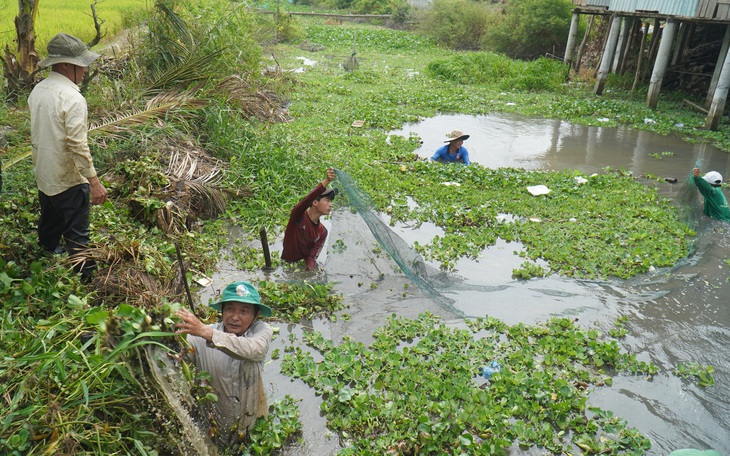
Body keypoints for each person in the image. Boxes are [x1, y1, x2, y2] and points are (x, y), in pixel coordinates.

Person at [29, 33, 108, 280]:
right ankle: (85, 280)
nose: (85, 70)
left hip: (45, 173)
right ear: (66, 65)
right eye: (82, 65)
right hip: (69, 179)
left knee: (50, 220)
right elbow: (77, 144)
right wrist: (94, 182)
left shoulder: (39, 90)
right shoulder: (72, 98)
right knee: (78, 234)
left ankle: (46, 257)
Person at [175, 281, 273, 445]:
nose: (235, 317)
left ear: (256, 316)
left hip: (252, 426)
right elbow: (175, 351)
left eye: (244, 311)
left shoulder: (261, 331)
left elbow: (254, 349)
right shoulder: (201, 335)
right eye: (230, 309)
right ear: (221, 310)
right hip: (213, 430)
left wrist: (209, 334)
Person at [281, 167, 338, 270]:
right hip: (285, 265)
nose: (330, 205)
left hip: (297, 268)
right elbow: (306, 200)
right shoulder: (298, 216)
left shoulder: (322, 232)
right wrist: (327, 180)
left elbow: (311, 257)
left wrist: (309, 274)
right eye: (327, 200)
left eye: (331, 202)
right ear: (315, 202)